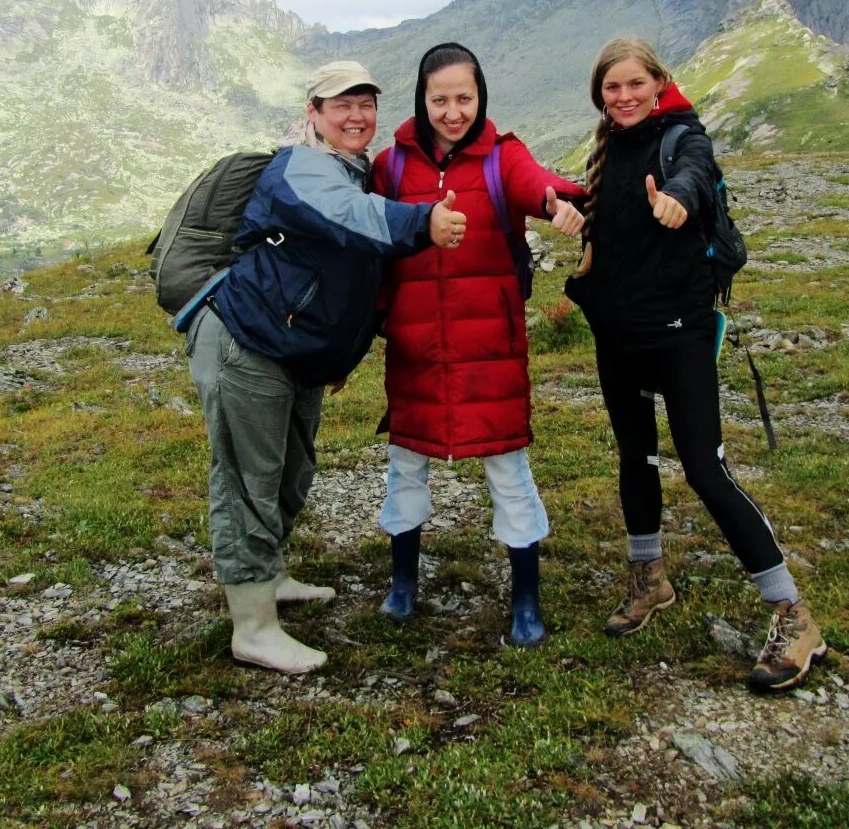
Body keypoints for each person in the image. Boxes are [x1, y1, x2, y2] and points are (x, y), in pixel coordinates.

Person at [184, 61, 466, 674]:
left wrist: (344, 348)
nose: (356, 115)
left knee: (291, 472)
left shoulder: (353, 170)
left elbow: (352, 273)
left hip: (295, 351)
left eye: (365, 103)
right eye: (340, 105)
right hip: (246, 341)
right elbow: (351, 220)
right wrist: (423, 222)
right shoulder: (300, 166)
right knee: (247, 481)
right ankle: (253, 626)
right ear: (313, 113)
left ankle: (270, 576)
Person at [563, 36, 826, 691]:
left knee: (705, 468)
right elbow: (608, 211)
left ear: (659, 82)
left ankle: (793, 612)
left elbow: (695, 176)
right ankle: (649, 578)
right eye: (611, 88)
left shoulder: (682, 137)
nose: (623, 97)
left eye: (634, 84)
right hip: (619, 329)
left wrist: (678, 197)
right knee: (635, 455)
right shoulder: (610, 151)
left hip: (679, 326)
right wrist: (561, 206)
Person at [370, 42, 585, 647]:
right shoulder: (390, 167)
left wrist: (555, 203)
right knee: (405, 466)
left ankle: (525, 600)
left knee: (508, 469)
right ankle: (403, 584)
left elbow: (534, 184)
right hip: (416, 347)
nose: (453, 112)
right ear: (422, 99)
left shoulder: (501, 156)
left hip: (490, 347)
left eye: (464, 98)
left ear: (481, 96)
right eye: (440, 100)